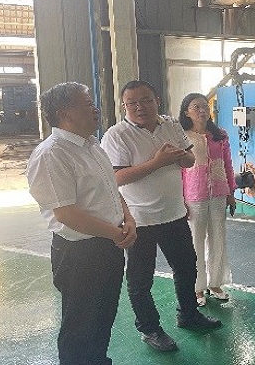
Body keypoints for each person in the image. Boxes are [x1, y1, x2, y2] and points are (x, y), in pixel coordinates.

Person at [100, 80, 221, 353]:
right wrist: (158, 162)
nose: (140, 107)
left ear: (157, 100)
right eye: (132, 103)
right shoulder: (116, 135)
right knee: (140, 280)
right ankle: (150, 329)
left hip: (174, 213)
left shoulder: (171, 125)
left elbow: (189, 160)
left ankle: (188, 314)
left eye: (146, 100)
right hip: (139, 220)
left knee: (187, 267)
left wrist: (180, 158)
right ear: (124, 106)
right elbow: (117, 178)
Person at [26, 82, 137, 365]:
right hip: (79, 253)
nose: (95, 109)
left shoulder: (92, 145)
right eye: (87, 104)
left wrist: (128, 219)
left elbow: (111, 189)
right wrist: (116, 233)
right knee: (80, 325)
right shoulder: (52, 154)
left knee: (103, 316)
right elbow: (66, 214)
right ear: (65, 113)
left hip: (109, 243)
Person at [179, 93, 236, 307]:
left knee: (218, 238)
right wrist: (181, 199)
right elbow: (179, 171)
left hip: (219, 193)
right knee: (195, 241)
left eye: (205, 106)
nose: (202, 110)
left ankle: (215, 283)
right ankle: (197, 287)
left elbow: (228, 164)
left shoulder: (220, 135)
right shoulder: (182, 136)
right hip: (194, 195)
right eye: (196, 107)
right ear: (186, 112)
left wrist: (231, 193)